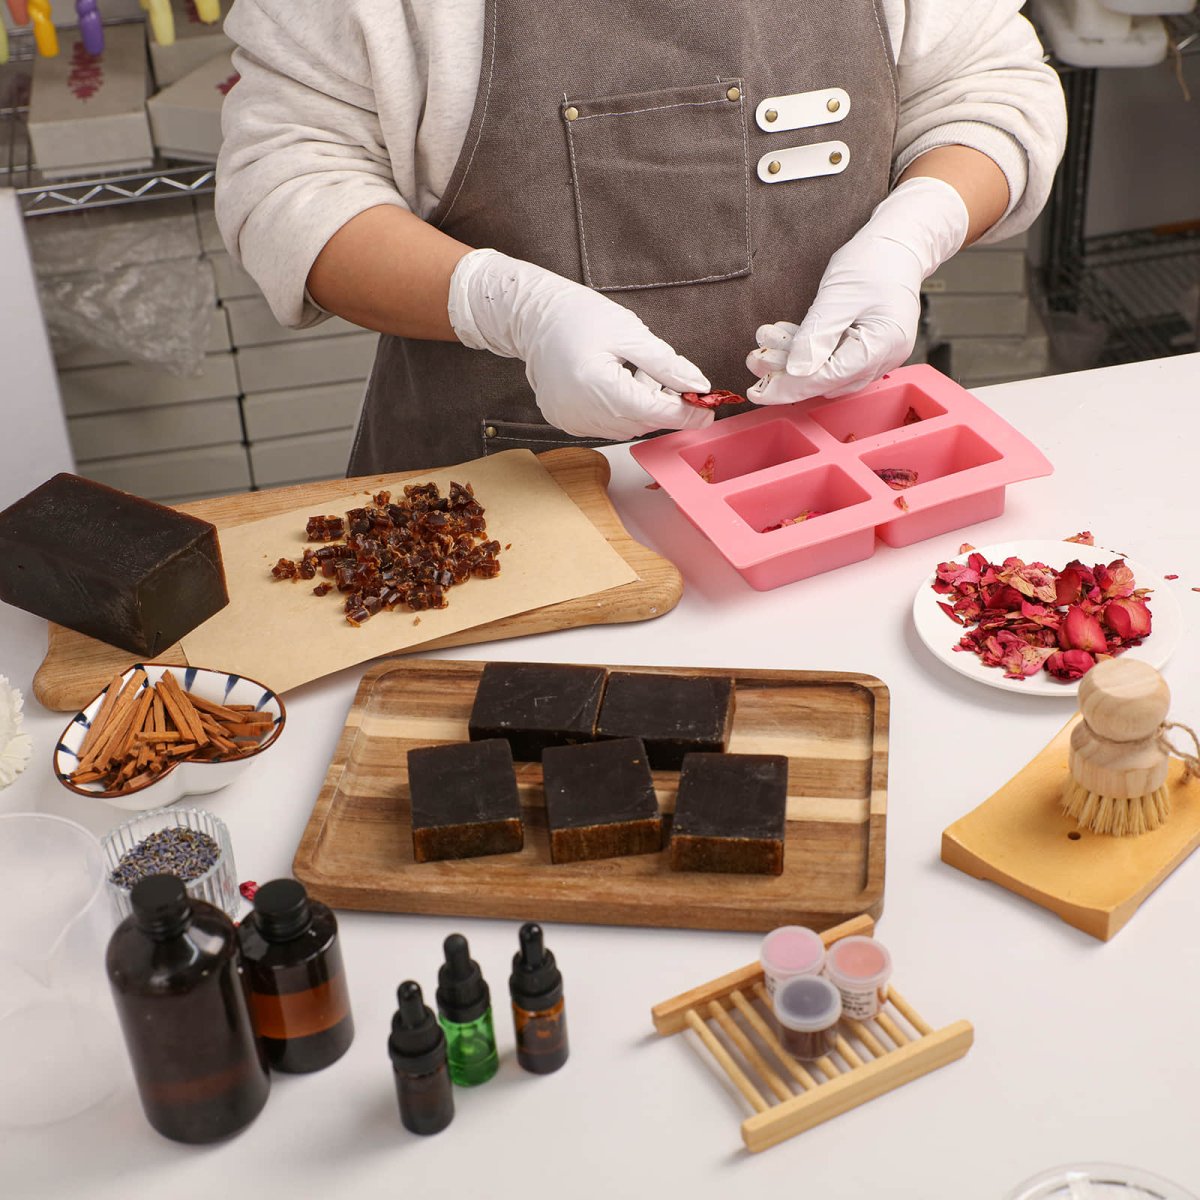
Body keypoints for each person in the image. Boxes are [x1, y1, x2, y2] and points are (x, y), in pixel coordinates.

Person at [216, 1, 1066, 474]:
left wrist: (910, 236)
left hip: (833, 478)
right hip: (494, 503)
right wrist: (509, 308)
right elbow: (289, 184)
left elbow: (988, 86)